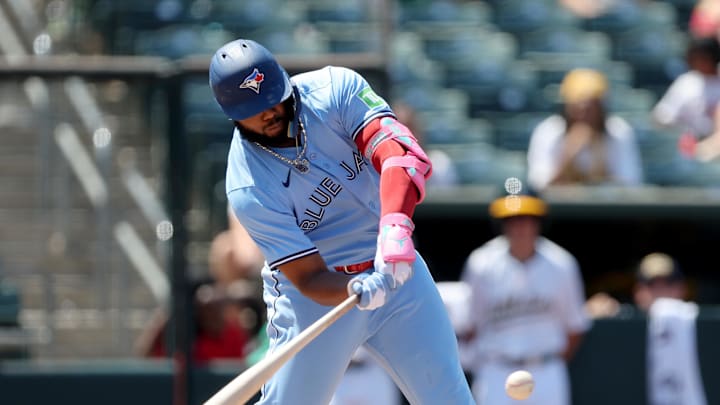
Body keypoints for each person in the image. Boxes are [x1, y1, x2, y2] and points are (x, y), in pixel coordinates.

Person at [207, 38, 474, 404]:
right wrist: (355, 286)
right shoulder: (248, 184)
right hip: (317, 298)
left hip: (394, 266)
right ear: (233, 114)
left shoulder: (334, 89)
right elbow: (308, 276)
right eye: (256, 108)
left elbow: (401, 156)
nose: (270, 111)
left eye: (273, 97)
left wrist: (395, 226)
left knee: (449, 397)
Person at [459, 183, 591, 405]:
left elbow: (574, 328)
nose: (520, 226)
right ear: (502, 224)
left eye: (527, 218)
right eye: (512, 219)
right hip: (496, 370)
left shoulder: (561, 264)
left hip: (545, 370)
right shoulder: (481, 264)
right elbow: (471, 326)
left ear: (539, 221)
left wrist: (548, 362)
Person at [585, 252, 708, 405]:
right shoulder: (622, 317)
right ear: (638, 291)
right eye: (651, 284)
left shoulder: (697, 322)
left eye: (667, 283)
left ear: (681, 289)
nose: (660, 291)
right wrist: (588, 312)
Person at [526, 68, 644, 190]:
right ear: (567, 106)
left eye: (592, 108)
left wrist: (599, 165)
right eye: (578, 108)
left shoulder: (619, 130)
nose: (585, 115)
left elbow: (631, 183)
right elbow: (538, 185)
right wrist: (569, 154)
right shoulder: (548, 131)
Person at [651, 36, 720, 162]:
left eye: (703, 57)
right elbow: (661, 117)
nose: (697, 61)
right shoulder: (687, 82)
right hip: (690, 145)